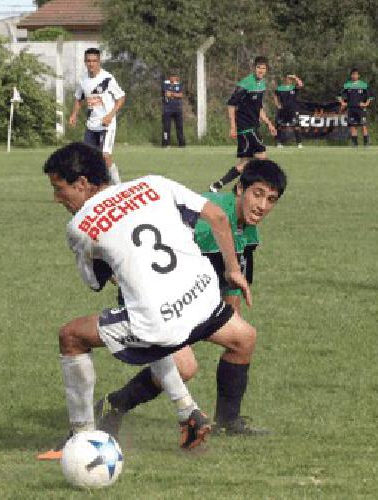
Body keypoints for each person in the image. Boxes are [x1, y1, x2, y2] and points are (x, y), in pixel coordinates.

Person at [35, 142, 259, 460]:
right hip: (206, 301)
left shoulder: (80, 226)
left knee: (72, 336)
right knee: (144, 313)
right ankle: (189, 412)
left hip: (161, 323)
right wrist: (233, 271)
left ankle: (81, 436)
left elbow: (96, 282)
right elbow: (219, 217)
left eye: (59, 189)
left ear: (82, 183)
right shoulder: (154, 183)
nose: (57, 198)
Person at [94, 160, 287, 438]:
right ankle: (113, 405)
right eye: (257, 194)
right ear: (240, 188)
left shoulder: (247, 228)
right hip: (152, 295)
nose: (263, 206)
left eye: (271, 200)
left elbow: (232, 280)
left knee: (243, 338)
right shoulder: (207, 224)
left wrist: (229, 324)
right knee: (184, 368)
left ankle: (227, 422)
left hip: (188, 297)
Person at [208, 56, 277, 192]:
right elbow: (231, 105)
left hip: (253, 126)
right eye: (258, 67)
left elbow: (259, 108)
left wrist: (269, 123)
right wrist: (233, 127)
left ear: (266, 70)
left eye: (263, 68)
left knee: (245, 163)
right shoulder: (245, 84)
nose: (261, 71)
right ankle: (245, 187)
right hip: (246, 128)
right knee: (262, 158)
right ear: (254, 68)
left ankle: (218, 185)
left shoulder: (262, 84)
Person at [68, 47, 126, 184]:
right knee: (88, 157)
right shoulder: (83, 80)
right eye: (88, 61)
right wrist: (74, 114)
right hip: (91, 125)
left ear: (99, 62)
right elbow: (78, 98)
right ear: (85, 62)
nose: (91, 64)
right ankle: (98, 186)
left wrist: (110, 116)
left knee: (105, 157)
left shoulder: (107, 78)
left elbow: (121, 97)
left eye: (94, 61)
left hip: (107, 125)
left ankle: (118, 186)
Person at [337, 68, 374, 148]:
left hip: (361, 109)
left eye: (356, 74)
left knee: (364, 125)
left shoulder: (363, 85)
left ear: (358, 75)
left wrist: (366, 104)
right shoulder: (347, 85)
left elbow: (370, 96)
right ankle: (354, 144)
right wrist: (342, 102)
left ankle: (366, 143)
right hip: (351, 108)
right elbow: (339, 95)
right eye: (353, 74)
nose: (354, 76)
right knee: (353, 126)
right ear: (351, 75)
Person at [273, 74, 305, 148]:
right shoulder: (279, 88)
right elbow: (275, 96)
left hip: (293, 110)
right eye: (288, 79)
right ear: (285, 79)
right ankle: (279, 143)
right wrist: (277, 105)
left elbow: (301, 85)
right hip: (282, 110)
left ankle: (299, 143)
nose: (289, 80)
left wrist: (295, 77)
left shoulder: (293, 87)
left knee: (296, 126)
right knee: (279, 126)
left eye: (290, 79)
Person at [161, 70, 187, 148]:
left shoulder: (179, 84)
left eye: (175, 76)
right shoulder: (165, 84)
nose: (173, 78)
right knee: (166, 127)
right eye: (172, 76)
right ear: (169, 77)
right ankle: (166, 144)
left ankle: (181, 144)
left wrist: (172, 94)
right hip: (167, 109)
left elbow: (180, 95)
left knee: (179, 127)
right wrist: (175, 94)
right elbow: (166, 93)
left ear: (177, 77)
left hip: (177, 109)